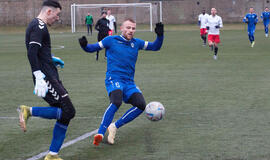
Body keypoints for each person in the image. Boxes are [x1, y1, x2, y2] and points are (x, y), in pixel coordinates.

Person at [78, 19, 164, 146]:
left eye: (133, 28)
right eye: (128, 28)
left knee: (141, 105)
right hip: (114, 79)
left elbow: (156, 47)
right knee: (116, 101)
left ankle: (114, 126)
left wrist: (160, 35)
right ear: (122, 28)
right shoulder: (110, 40)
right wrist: (84, 45)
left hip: (129, 82)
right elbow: (92, 48)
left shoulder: (137, 43)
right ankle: (100, 133)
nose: (131, 30)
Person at [19, 1, 75, 160]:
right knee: (69, 111)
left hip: (49, 73)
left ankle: (52, 155)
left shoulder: (35, 25)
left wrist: (51, 59)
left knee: (64, 113)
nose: (57, 18)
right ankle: (28, 111)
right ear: (49, 11)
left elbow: (38, 52)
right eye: (57, 14)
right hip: (46, 77)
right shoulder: (39, 26)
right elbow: (32, 52)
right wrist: (38, 75)